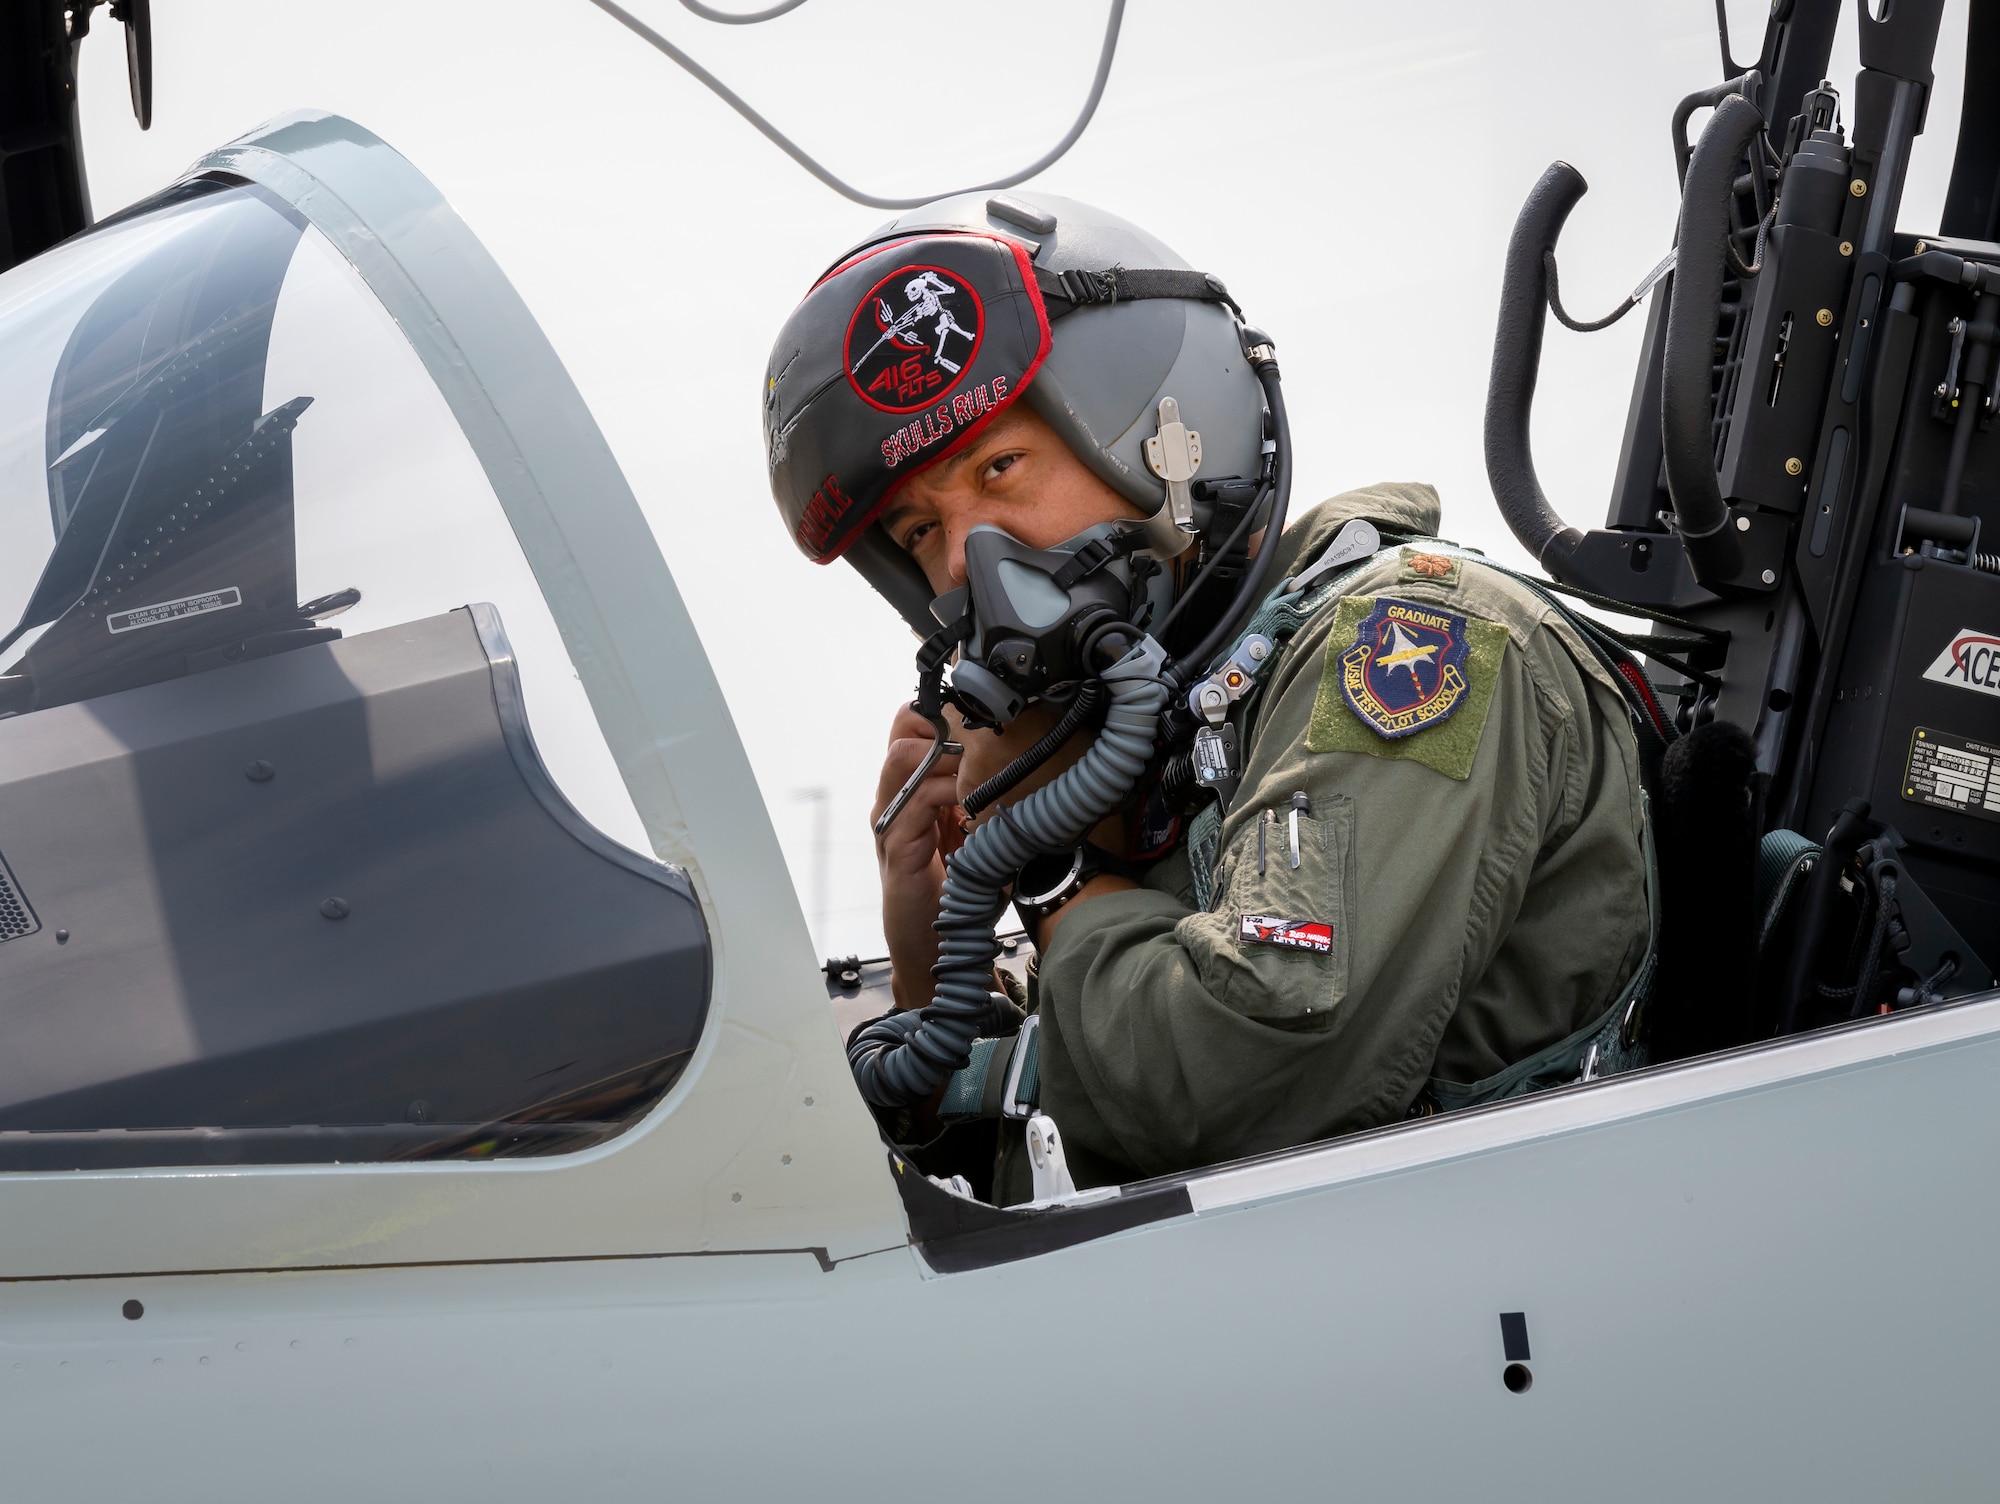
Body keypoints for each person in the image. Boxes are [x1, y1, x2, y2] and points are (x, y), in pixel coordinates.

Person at [762, 192, 1651, 1201]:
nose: (966, 563)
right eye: (921, 533)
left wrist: (1044, 865)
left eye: (1000, 467)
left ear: (1164, 438)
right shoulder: (1172, 737)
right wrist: (933, 964)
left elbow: (1242, 1086)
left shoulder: (1410, 642)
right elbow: (1057, 1190)